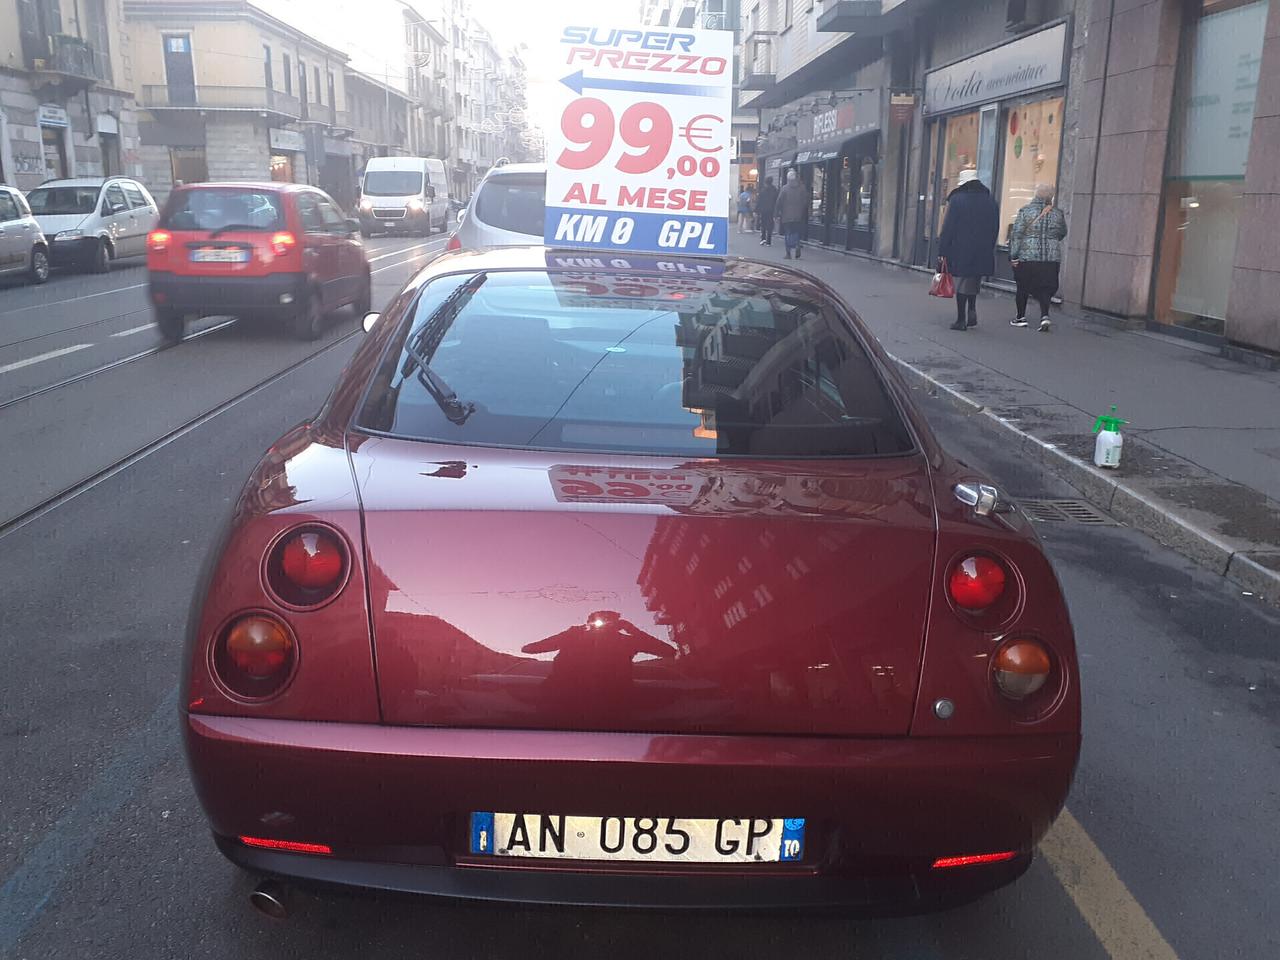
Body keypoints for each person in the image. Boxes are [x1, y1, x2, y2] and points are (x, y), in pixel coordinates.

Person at [937, 168, 1000, 331]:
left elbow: (948, 227)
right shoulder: (990, 200)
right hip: (982, 248)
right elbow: (995, 226)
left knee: (961, 283)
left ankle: (961, 319)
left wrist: (942, 250)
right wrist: (990, 245)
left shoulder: (957, 200)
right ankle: (972, 310)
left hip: (960, 248)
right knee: (974, 281)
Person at [1008, 183, 1068, 332]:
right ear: (1051, 196)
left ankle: (1020, 317)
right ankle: (1045, 316)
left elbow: (1017, 235)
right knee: (1046, 287)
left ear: (1036, 194)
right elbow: (1062, 233)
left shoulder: (1025, 211)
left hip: (1028, 257)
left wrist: (1014, 256)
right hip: (1051, 258)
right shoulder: (1058, 213)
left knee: (1022, 286)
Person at [776, 170, 809, 260]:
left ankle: (788, 253)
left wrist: (776, 213)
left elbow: (779, 201)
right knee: (796, 232)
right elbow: (806, 201)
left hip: (786, 215)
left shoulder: (785, 188)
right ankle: (797, 244)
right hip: (798, 215)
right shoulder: (802, 188)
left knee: (788, 233)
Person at [756, 176, 778, 246]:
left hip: (764, 210)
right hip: (771, 210)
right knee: (770, 225)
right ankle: (769, 241)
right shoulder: (775, 190)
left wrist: (756, 210)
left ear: (765, 182)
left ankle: (763, 239)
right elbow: (777, 201)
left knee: (763, 224)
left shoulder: (763, 190)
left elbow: (759, 201)